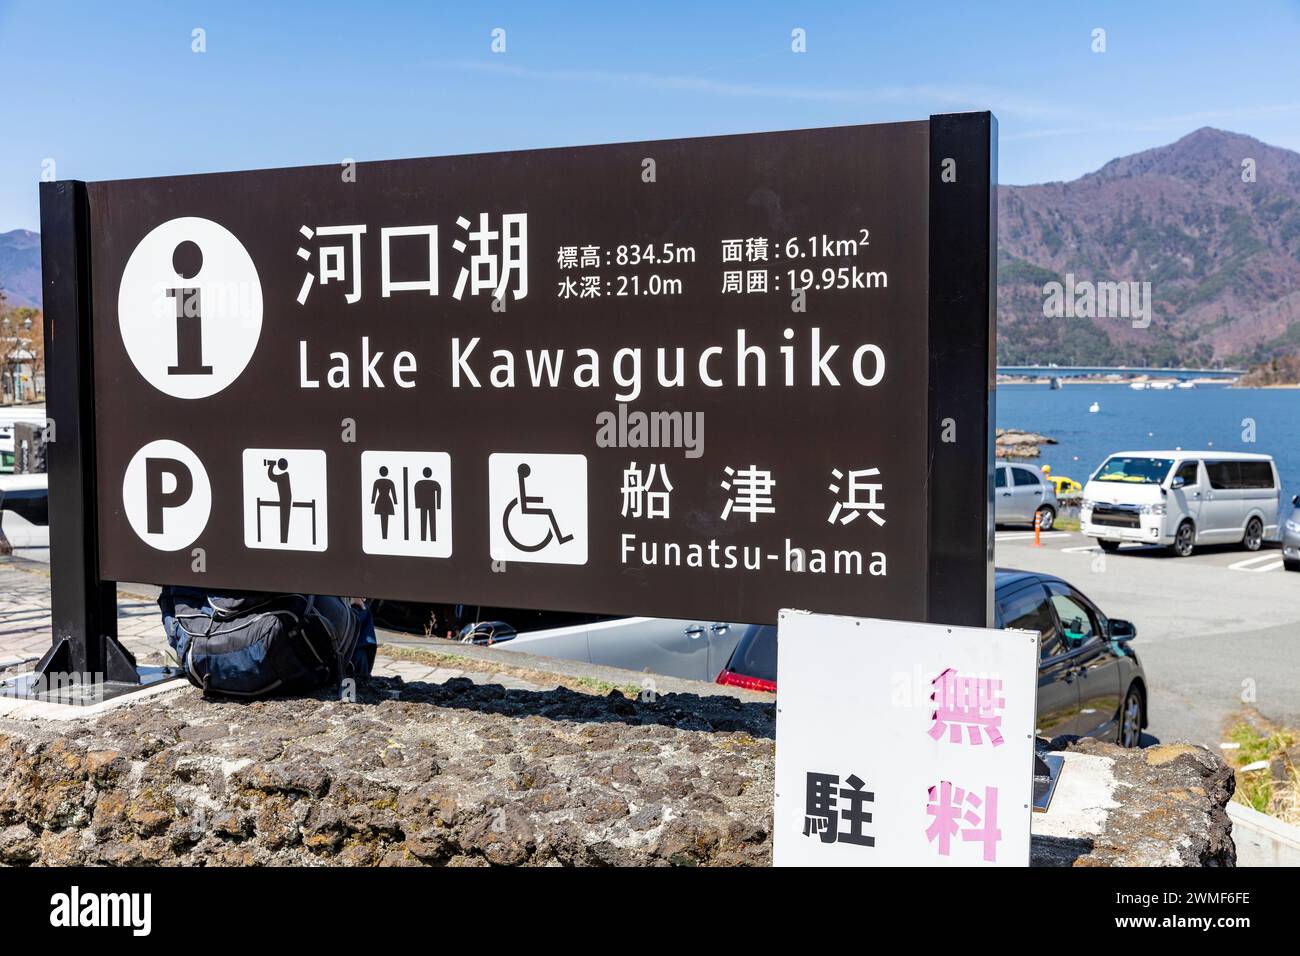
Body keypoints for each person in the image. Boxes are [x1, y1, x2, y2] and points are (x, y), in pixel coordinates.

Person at [413, 466, 441, 541]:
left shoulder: (419, 483)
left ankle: (424, 538)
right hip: (431, 504)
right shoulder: (435, 483)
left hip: (424, 505)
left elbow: (416, 492)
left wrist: (417, 504)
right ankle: (433, 538)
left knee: (424, 521)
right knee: (432, 521)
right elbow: (439, 492)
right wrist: (438, 505)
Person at [370, 466, 398, 539]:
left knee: (383, 517)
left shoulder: (377, 482)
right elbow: (393, 493)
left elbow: (374, 493)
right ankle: (384, 536)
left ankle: (384, 536)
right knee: (385, 518)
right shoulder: (390, 482)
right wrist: (395, 502)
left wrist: (373, 501)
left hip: (381, 499)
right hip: (387, 500)